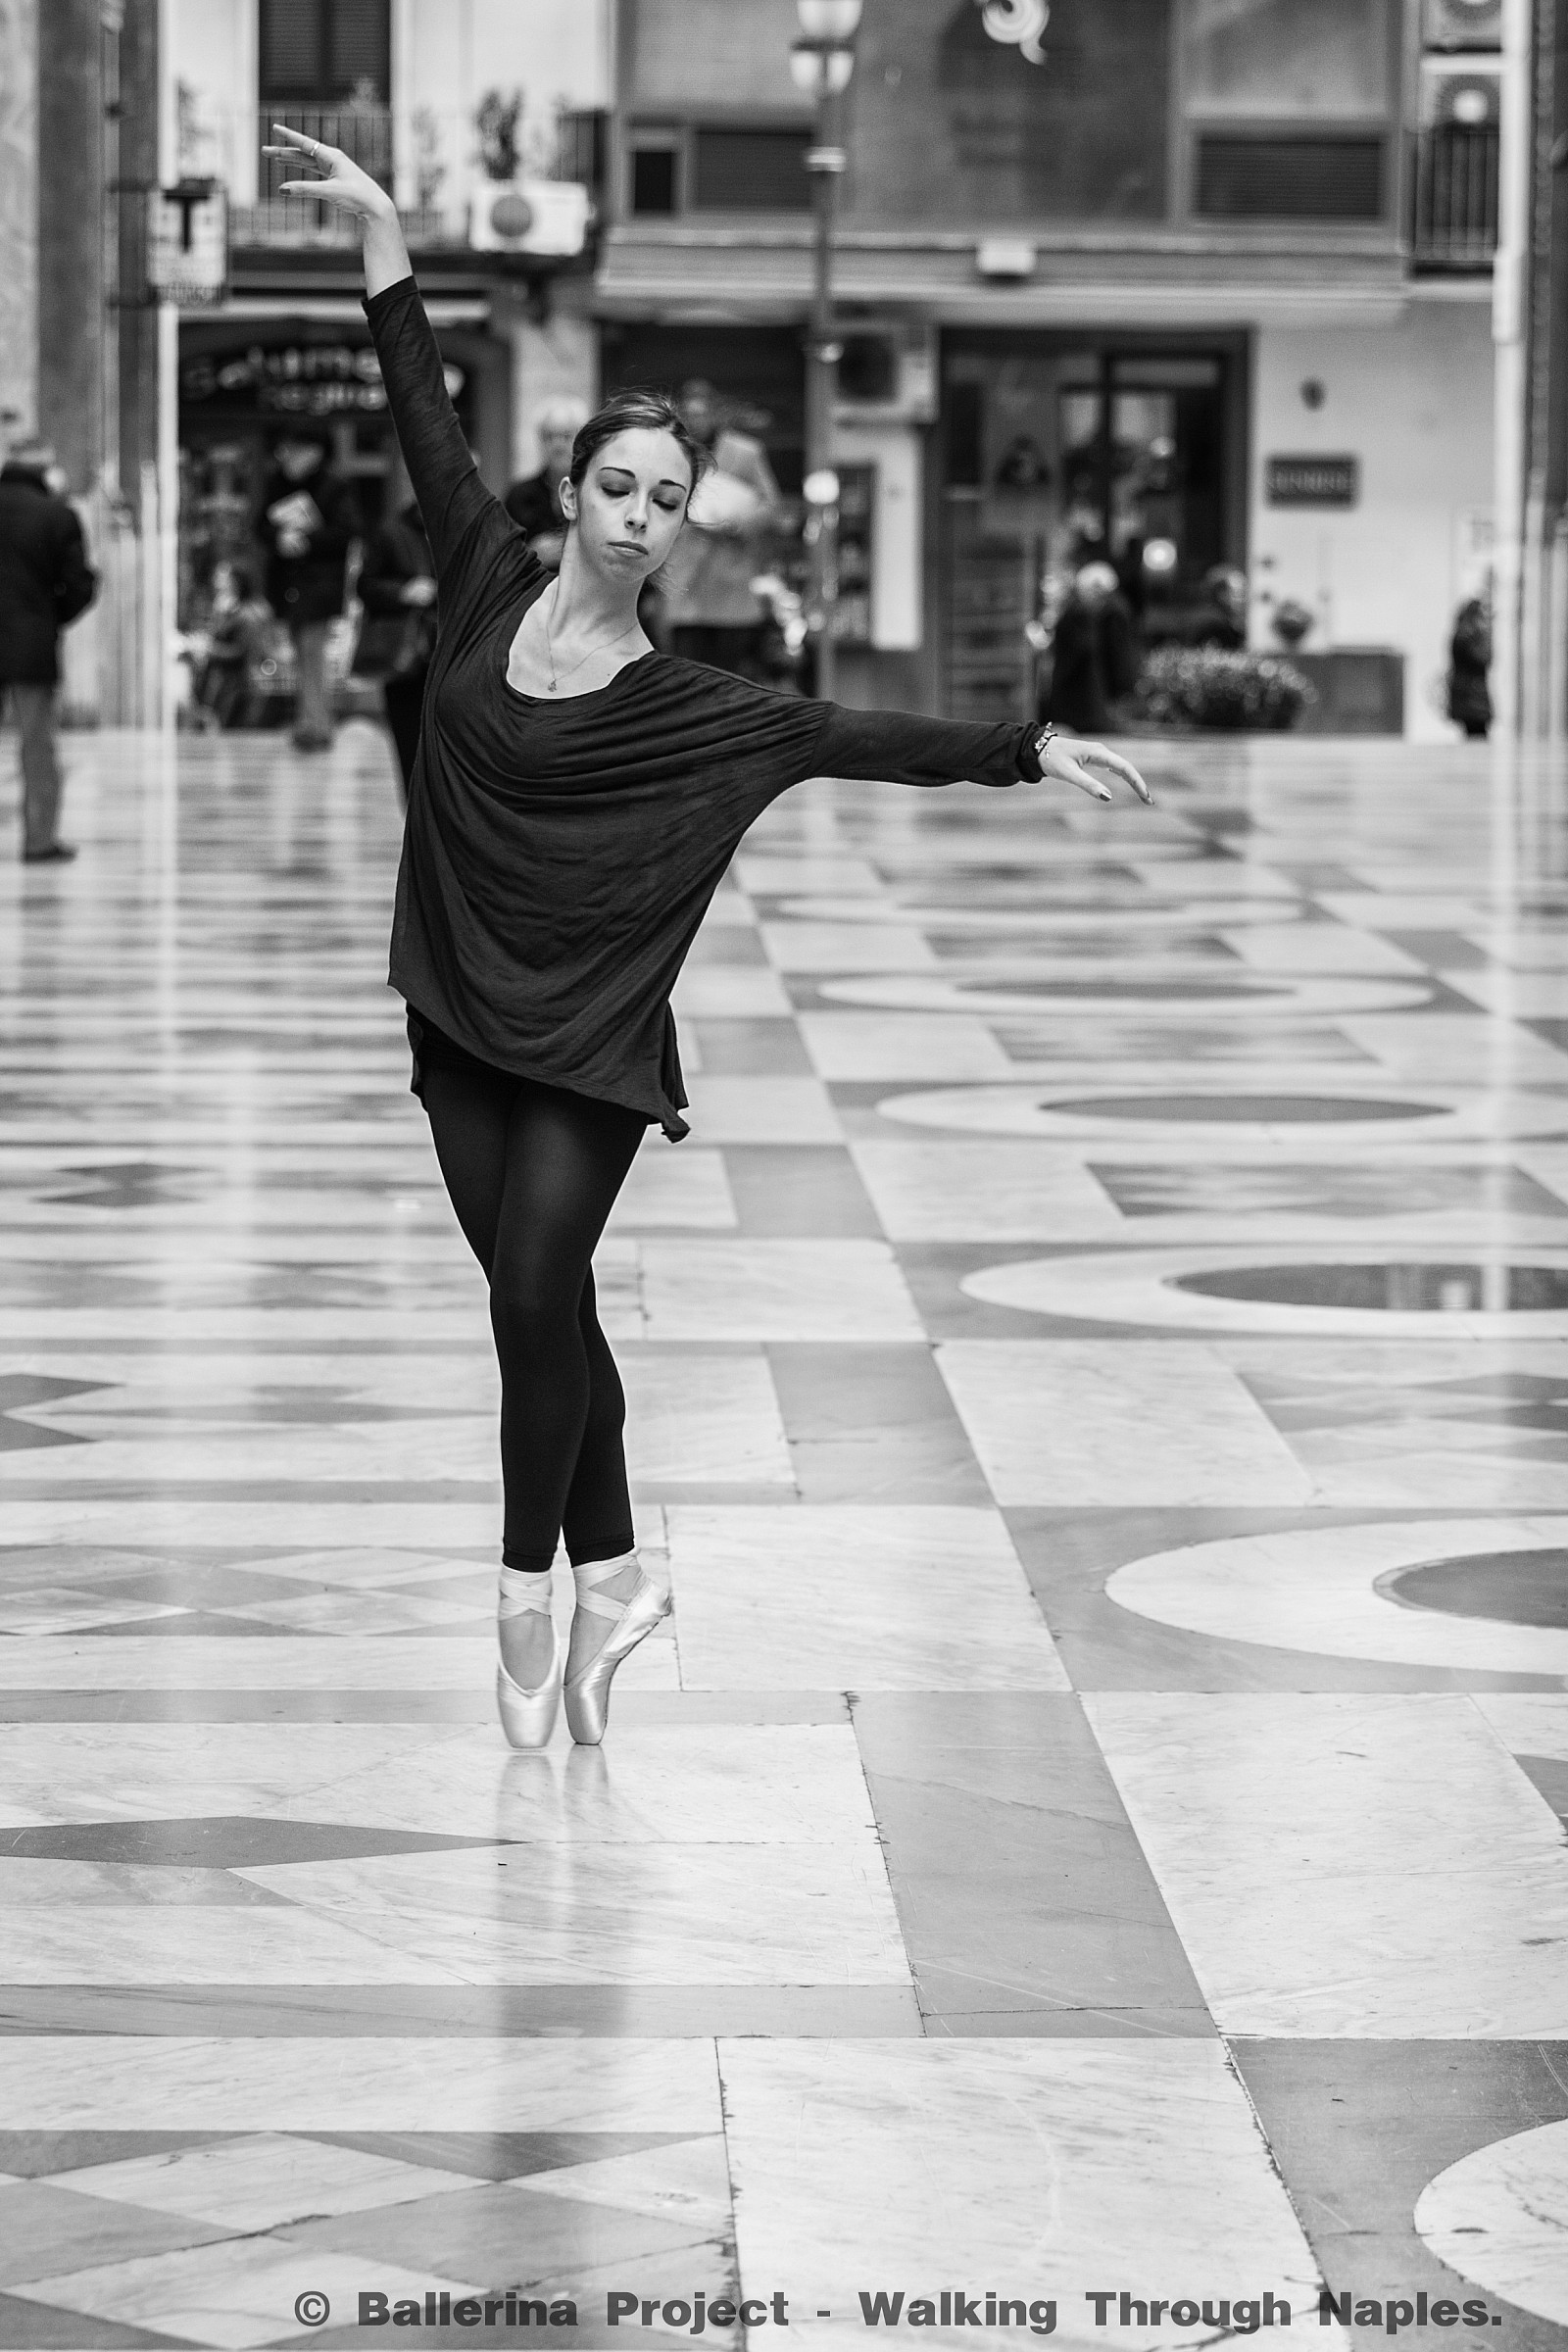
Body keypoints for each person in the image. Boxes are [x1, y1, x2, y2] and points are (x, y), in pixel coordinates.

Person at [266, 122, 1152, 1751]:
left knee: (537, 1284)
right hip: (458, 1014)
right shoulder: (478, 579)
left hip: (591, 1041)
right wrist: (386, 230)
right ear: (571, 491)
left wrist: (1026, 751)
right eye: (616, 486)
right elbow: (418, 415)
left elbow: (848, 732)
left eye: (666, 501)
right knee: (544, 1314)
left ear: (682, 526)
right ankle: (618, 1583)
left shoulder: (691, 707)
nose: (636, 517)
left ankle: (528, 1599)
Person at [0, 437, 97, 862]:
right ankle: (39, 839)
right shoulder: (57, 515)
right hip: (29, 642)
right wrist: (48, 616)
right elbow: (78, 585)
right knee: (37, 744)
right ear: (45, 467)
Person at [660, 378, 781, 678]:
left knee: (730, 679)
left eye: (703, 413)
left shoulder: (746, 452)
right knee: (687, 676)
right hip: (686, 580)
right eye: (690, 413)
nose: (697, 420)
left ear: (715, 413)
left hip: (732, 577)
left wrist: (739, 524)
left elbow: (771, 505)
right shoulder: (669, 452)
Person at [259, 426, 361, 750]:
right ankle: (310, 720)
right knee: (300, 653)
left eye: (294, 450)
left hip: (319, 586)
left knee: (312, 652)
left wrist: (307, 540)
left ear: (313, 453)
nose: (288, 457)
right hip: (287, 585)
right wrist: (279, 539)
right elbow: (259, 525)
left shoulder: (334, 487)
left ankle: (316, 724)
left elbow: (347, 533)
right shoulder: (277, 484)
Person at [357, 481, 437, 804]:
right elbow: (365, 586)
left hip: (459, 650)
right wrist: (404, 591)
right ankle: (416, 818)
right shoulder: (392, 532)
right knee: (408, 741)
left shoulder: (473, 529)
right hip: (407, 658)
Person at [1042, 559, 1140, 734]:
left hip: (1083, 695)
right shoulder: (1091, 612)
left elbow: (1113, 653)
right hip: (1088, 693)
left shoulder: (1099, 614)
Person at [503, 396, 590, 572]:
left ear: (582, 440)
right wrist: (531, 554)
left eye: (566, 436)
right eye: (549, 437)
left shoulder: (593, 491)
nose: (557, 445)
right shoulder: (519, 495)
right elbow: (501, 559)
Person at [1447, 596, 1492, 740]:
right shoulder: (1468, 636)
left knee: (1473, 734)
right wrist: (1485, 637)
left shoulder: (1462, 634)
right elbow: (1484, 659)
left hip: (1468, 695)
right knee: (1476, 735)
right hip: (1472, 696)